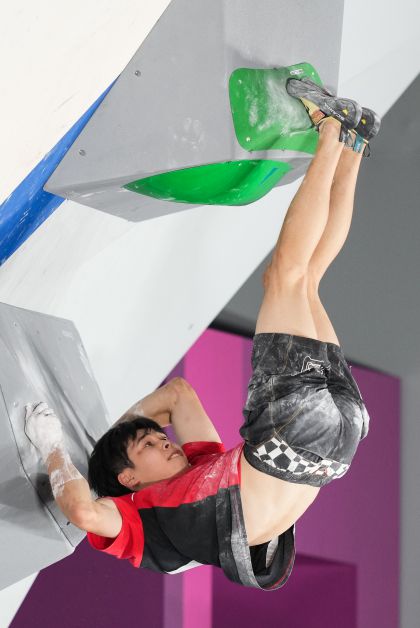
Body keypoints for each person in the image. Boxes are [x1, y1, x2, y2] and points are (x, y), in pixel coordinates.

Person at [24, 78, 379, 590]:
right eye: (151, 444)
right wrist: (55, 450)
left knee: (307, 280)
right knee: (285, 277)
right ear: (128, 480)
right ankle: (329, 129)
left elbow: (177, 395)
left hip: (334, 440)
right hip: (292, 434)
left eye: (157, 438)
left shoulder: (198, 468)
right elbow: (81, 510)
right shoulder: (142, 522)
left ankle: (353, 144)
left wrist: (111, 439)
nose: (165, 442)